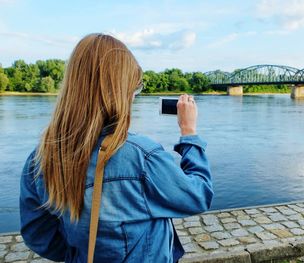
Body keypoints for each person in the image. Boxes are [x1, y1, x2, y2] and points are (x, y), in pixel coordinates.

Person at [19, 33, 214, 263]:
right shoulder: (142, 156)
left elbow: (38, 235)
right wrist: (189, 132)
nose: (133, 98)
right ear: (120, 92)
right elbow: (198, 195)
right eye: (134, 90)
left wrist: (81, 252)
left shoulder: (41, 158)